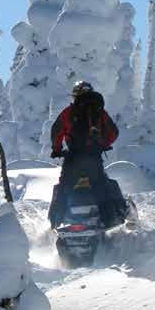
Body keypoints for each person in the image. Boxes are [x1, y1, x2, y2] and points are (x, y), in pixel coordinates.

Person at [48, 81, 127, 229]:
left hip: (73, 158)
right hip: (93, 157)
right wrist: (103, 143)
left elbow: (56, 131)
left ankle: (55, 221)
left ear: (75, 95)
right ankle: (109, 219)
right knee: (100, 185)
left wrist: (57, 149)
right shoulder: (99, 111)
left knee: (65, 186)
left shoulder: (69, 112)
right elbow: (113, 132)